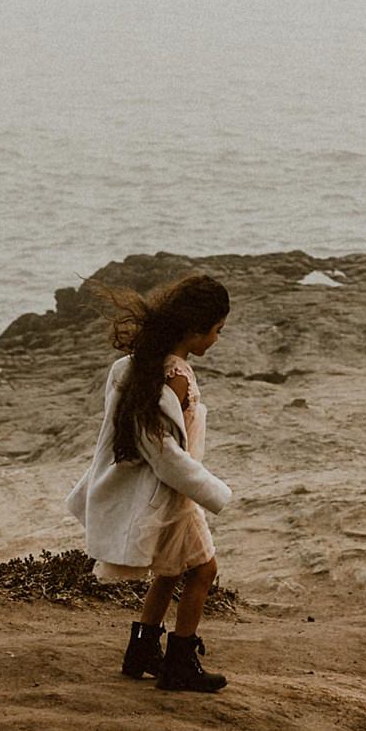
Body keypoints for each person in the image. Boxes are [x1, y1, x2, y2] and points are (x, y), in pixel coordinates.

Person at [66, 273, 235, 694]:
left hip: (168, 492)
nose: (217, 339)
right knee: (203, 570)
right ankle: (180, 662)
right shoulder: (176, 376)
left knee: (170, 571)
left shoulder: (135, 366)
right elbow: (164, 453)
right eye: (216, 330)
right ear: (194, 330)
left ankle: (141, 651)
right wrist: (212, 490)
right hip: (173, 495)